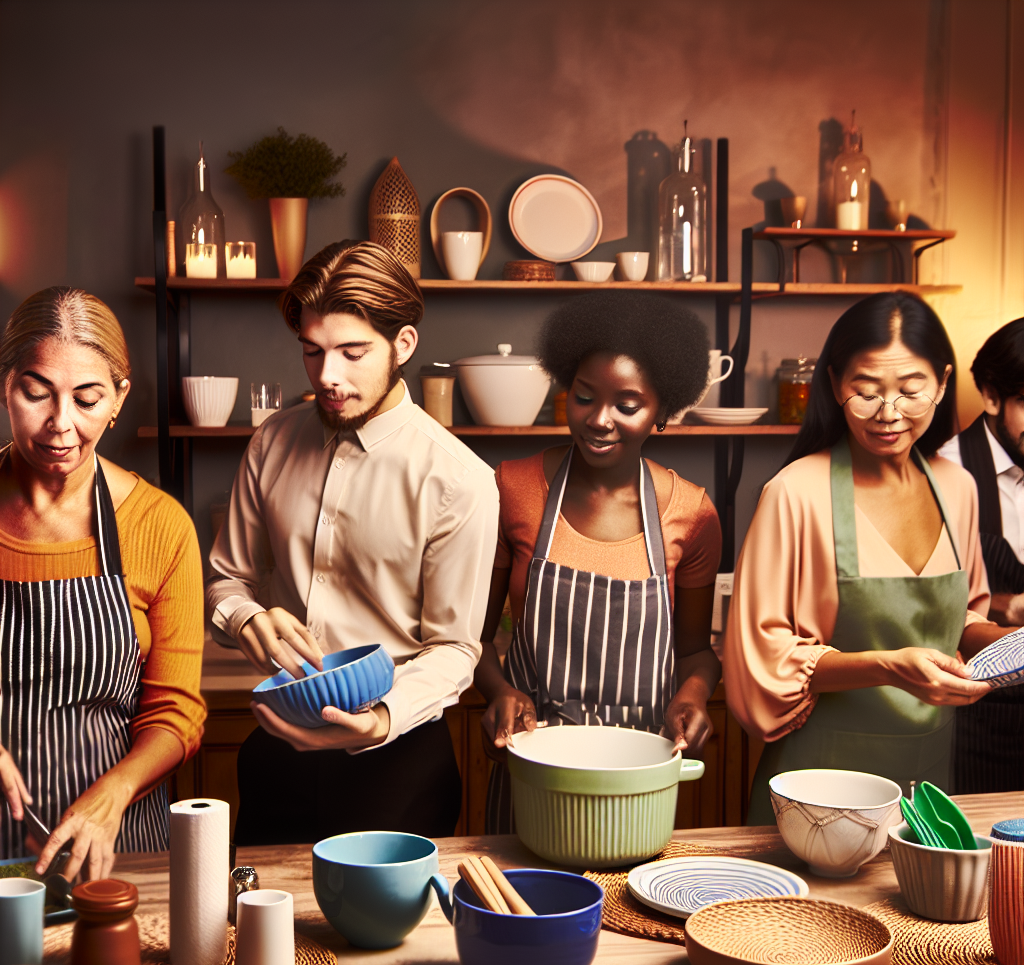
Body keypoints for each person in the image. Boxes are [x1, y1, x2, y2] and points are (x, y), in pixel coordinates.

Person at [207, 241, 499, 844]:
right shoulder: (271, 440)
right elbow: (225, 581)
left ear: (405, 345)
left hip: (396, 766)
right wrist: (243, 618)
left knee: (390, 942)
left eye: (352, 352)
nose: (327, 377)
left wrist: (379, 721)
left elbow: (455, 649)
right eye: (312, 353)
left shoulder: (459, 478)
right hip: (276, 749)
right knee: (260, 934)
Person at [724, 292, 1007, 824]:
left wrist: (1002, 644)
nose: (889, 414)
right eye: (866, 391)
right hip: (818, 787)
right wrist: (889, 668)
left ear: (943, 383)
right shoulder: (795, 492)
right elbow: (759, 665)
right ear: (834, 385)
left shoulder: (957, 487)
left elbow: (962, 614)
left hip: (928, 787)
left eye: (911, 390)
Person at [476, 292, 723, 833]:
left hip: (636, 783)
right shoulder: (513, 489)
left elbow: (697, 653)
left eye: (627, 405)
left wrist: (693, 694)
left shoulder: (692, 513)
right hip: (532, 770)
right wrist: (501, 692)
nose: (599, 420)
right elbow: (471, 639)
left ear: (663, 411)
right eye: (585, 397)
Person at [0, 287, 204, 879]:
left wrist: (113, 793)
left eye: (87, 400)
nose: (61, 424)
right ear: (5, 385)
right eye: (36, 393)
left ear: (119, 398)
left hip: (120, 846)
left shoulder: (160, 526)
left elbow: (175, 712)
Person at [936, 319, 1024, 792]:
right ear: (991, 396)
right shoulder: (946, 472)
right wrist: (1009, 606)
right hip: (980, 718)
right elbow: (924, 606)